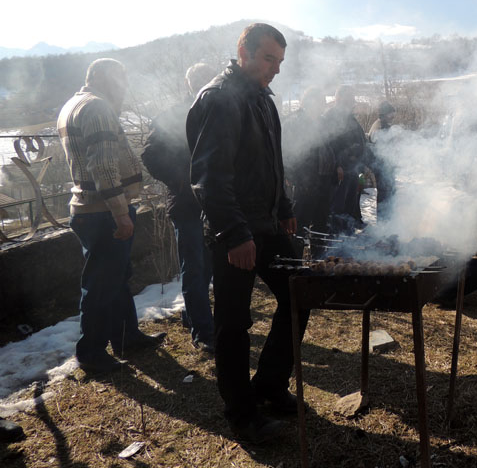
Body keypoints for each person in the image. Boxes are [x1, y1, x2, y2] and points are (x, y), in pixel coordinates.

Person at [186, 23, 308, 443]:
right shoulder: (219, 99)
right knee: (234, 324)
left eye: (279, 62)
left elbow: (272, 161)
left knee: (298, 295)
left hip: (267, 223)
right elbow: (209, 177)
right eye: (267, 59)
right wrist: (236, 235)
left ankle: (270, 387)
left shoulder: (263, 99)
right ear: (244, 51)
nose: (274, 70)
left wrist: (286, 208)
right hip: (233, 230)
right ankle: (242, 415)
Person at [58, 58, 166, 375]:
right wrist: (121, 213)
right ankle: (91, 353)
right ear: (107, 79)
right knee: (102, 285)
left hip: (89, 208)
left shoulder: (73, 104)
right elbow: (103, 166)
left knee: (116, 278)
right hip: (103, 210)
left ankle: (126, 338)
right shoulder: (98, 108)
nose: (125, 87)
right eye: (121, 79)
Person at [141, 62, 218, 353]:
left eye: (206, 78)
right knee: (195, 269)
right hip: (186, 206)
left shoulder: (217, 113)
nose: (202, 83)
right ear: (188, 84)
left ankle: (192, 315)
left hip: (214, 204)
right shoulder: (172, 116)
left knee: (208, 265)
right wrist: (181, 180)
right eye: (197, 79)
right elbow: (149, 155)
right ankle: (204, 333)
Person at [283, 86, 337, 234]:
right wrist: (295, 179)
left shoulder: (323, 123)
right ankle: (296, 255)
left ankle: (318, 256)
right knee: (299, 226)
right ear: (309, 102)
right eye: (320, 102)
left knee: (321, 225)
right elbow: (285, 154)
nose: (323, 106)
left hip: (323, 182)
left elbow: (330, 148)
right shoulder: (294, 122)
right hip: (303, 185)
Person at [324, 85, 367, 232]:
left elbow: (360, 141)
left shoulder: (350, 117)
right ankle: (336, 243)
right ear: (339, 98)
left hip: (352, 170)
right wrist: (337, 164)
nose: (352, 100)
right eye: (349, 97)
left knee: (350, 208)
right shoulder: (331, 117)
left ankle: (348, 241)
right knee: (338, 210)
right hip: (339, 172)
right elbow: (328, 145)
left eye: (353, 97)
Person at [368, 100, 397, 219]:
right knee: (383, 198)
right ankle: (382, 225)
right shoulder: (379, 127)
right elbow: (379, 150)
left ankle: (387, 221)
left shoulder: (384, 126)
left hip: (386, 169)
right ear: (384, 114)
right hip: (379, 171)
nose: (393, 116)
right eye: (391, 114)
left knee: (388, 196)